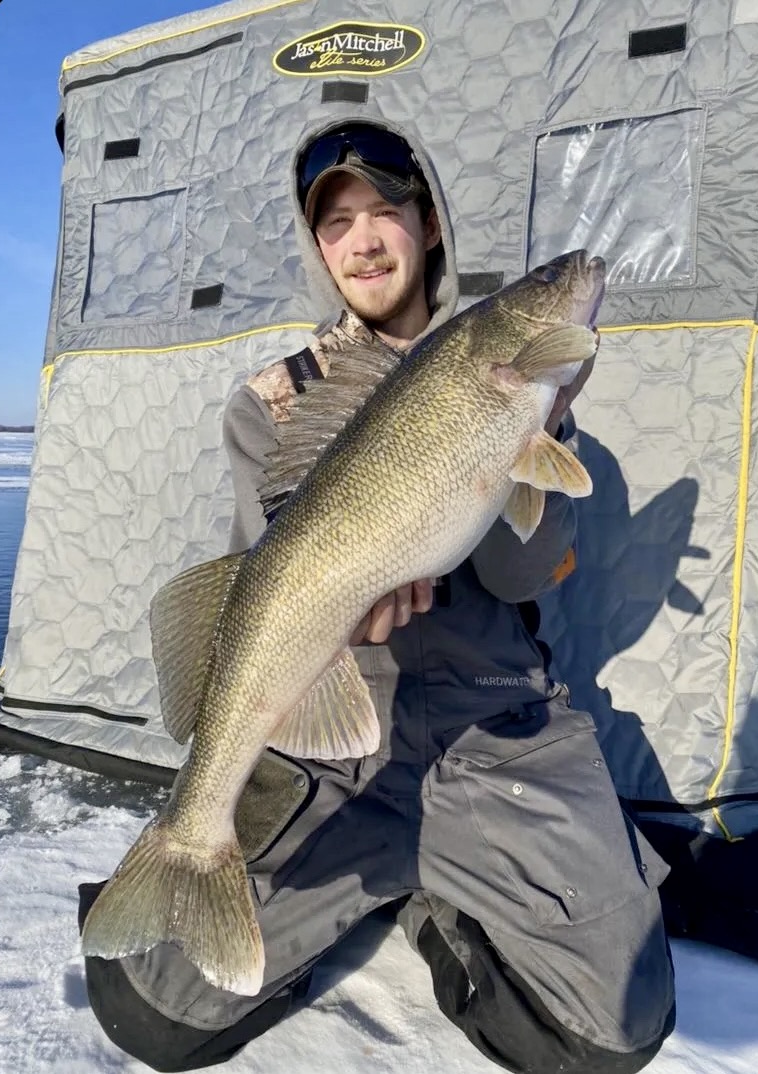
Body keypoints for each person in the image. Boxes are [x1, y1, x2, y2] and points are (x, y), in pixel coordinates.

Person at [79, 118, 675, 1073]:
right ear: (318, 247)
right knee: (152, 1006)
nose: (361, 240)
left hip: (492, 724)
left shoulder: (512, 385)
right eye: (336, 223)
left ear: (429, 224)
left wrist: (546, 416)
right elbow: (260, 600)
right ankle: (231, 852)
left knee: (613, 1028)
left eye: (385, 212)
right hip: (346, 733)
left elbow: (523, 577)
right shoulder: (273, 400)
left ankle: (441, 895)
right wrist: (339, 617)